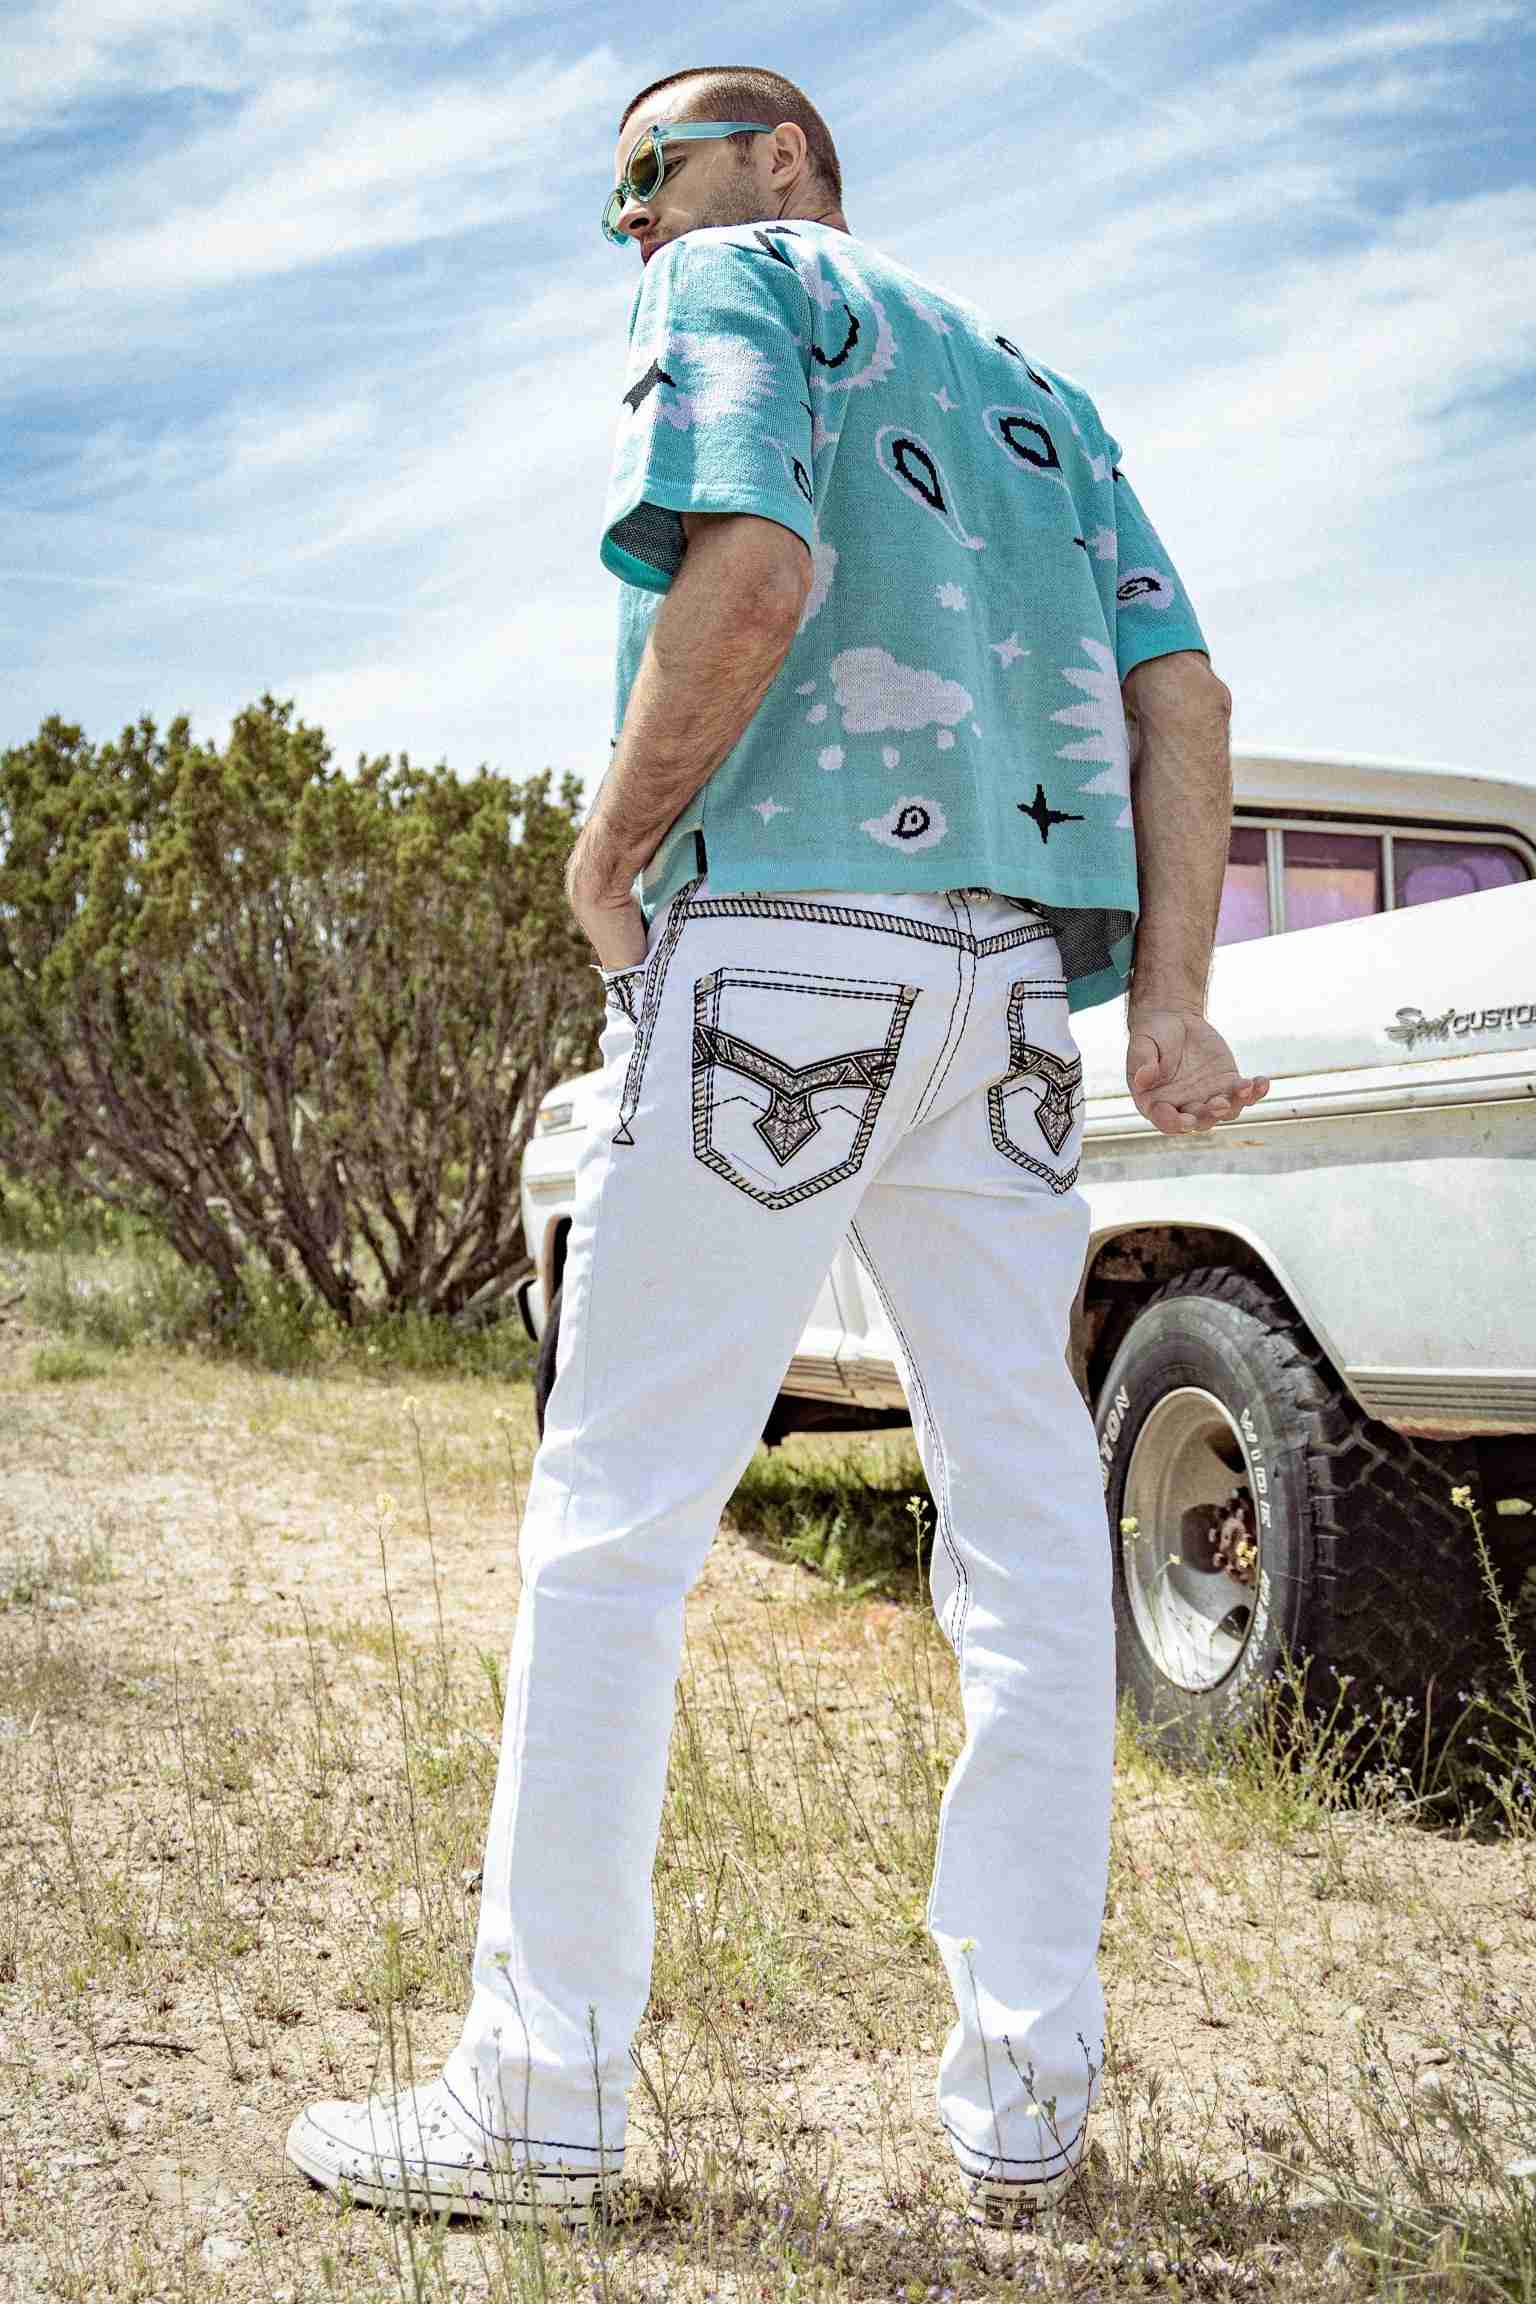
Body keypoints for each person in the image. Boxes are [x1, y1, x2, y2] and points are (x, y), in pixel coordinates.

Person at [286, 64, 1270, 2233]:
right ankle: (1027, 2099)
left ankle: (539, 2097)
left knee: (617, 1513)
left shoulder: (747, 281)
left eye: (647, 173)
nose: (628, 224)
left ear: (779, 162)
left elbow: (755, 568)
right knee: (1029, 1529)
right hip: (1006, 989)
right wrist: (1173, 1000)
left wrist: (605, 853)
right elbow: (1185, 697)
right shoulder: (1037, 385)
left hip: (788, 942)